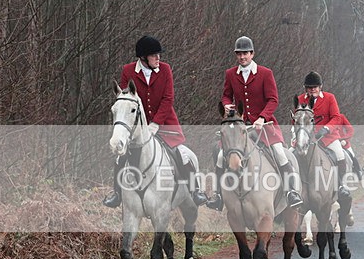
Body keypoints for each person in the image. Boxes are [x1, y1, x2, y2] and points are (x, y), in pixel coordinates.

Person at [103, 35, 207, 208]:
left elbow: (168, 99)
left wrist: (156, 123)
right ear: (143, 57)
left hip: (165, 124)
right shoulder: (128, 71)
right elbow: (126, 99)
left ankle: (195, 190)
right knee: (120, 158)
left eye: (158, 55)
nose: (158, 58)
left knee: (182, 155)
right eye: (154, 55)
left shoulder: (165, 69)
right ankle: (117, 193)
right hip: (137, 127)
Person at [207, 35, 303, 211]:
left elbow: (273, 99)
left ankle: (291, 192)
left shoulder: (265, 73)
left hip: (265, 126)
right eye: (239, 54)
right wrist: (227, 104)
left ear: (252, 54)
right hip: (240, 126)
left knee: (280, 153)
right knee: (221, 156)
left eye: (245, 53)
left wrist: (262, 117)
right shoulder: (230, 74)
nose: (242, 57)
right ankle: (218, 196)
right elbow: (226, 95)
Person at [295, 71, 351, 200]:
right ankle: (293, 189)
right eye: (309, 87)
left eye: (315, 87)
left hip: (327, 137)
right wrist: (295, 135)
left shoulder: (329, 98)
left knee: (340, 155)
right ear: (305, 88)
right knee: (292, 154)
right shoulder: (300, 99)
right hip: (305, 137)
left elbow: (336, 117)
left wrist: (326, 129)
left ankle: (341, 185)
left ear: (320, 87)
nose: (312, 89)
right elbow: (296, 120)